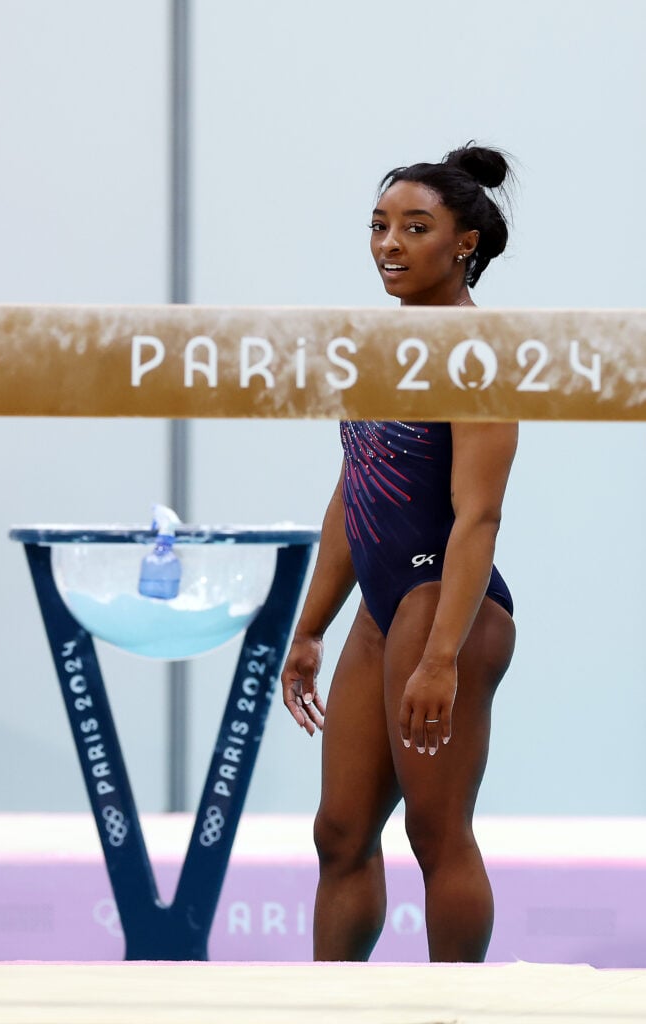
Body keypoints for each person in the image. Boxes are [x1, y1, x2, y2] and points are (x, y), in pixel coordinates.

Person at [280, 143, 518, 963]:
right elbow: (357, 490)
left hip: (444, 606)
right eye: (378, 226)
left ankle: (454, 1011)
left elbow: (478, 516)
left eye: (414, 228)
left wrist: (443, 656)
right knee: (339, 831)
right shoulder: (372, 354)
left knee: (434, 829)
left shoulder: (478, 358)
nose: (388, 243)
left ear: (464, 244)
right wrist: (310, 626)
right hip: (385, 608)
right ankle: (335, 1008)